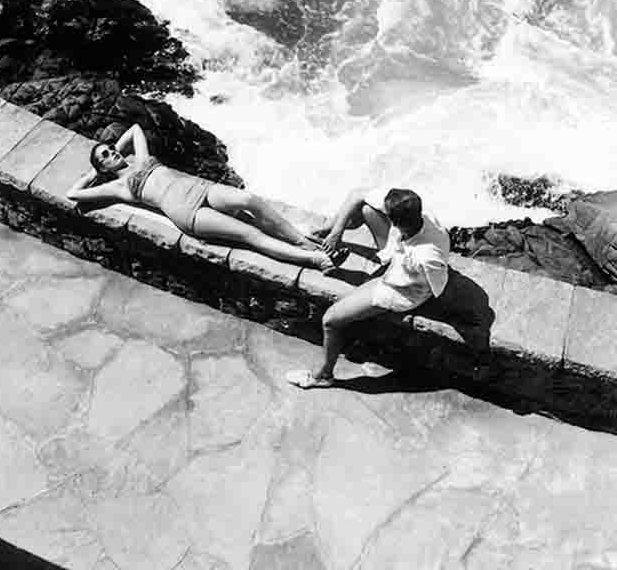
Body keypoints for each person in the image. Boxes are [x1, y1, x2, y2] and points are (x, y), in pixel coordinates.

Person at [66, 123, 345, 271]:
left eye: (111, 149)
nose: (113, 153)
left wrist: (110, 150)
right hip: (184, 211)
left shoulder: (140, 158)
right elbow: (73, 193)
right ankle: (315, 260)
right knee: (249, 234)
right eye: (106, 156)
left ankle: (303, 241)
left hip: (198, 187)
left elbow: (135, 129)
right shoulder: (119, 187)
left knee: (250, 201)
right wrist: (94, 173)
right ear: (103, 167)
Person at [286, 187, 450, 388]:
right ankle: (329, 236)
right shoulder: (421, 215)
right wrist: (336, 231)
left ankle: (323, 375)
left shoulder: (427, 257)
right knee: (367, 209)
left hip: (400, 289)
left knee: (330, 320)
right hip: (398, 259)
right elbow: (357, 195)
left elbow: (438, 288)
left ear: (395, 223)